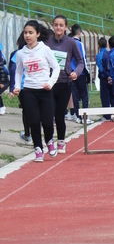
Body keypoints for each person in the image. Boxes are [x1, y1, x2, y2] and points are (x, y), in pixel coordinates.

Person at [13, 20, 60, 162]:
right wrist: (17, 86)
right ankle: (38, 149)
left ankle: (50, 140)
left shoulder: (45, 49)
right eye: (26, 32)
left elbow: (56, 68)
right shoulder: (21, 53)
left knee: (47, 122)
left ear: (38, 34)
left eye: (31, 33)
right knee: (34, 122)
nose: (27, 35)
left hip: (44, 90)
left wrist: (50, 83)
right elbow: (18, 72)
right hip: (28, 91)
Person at [48, 15, 85, 154]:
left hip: (64, 83)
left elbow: (80, 61)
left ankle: (61, 142)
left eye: (61, 25)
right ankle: (50, 141)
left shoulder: (71, 43)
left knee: (59, 115)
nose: (58, 27)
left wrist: (76, 72)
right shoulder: (46, 42)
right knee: (49, 114)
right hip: (49, 84)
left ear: (65, 27)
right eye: (56, 25)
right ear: (52, 26)